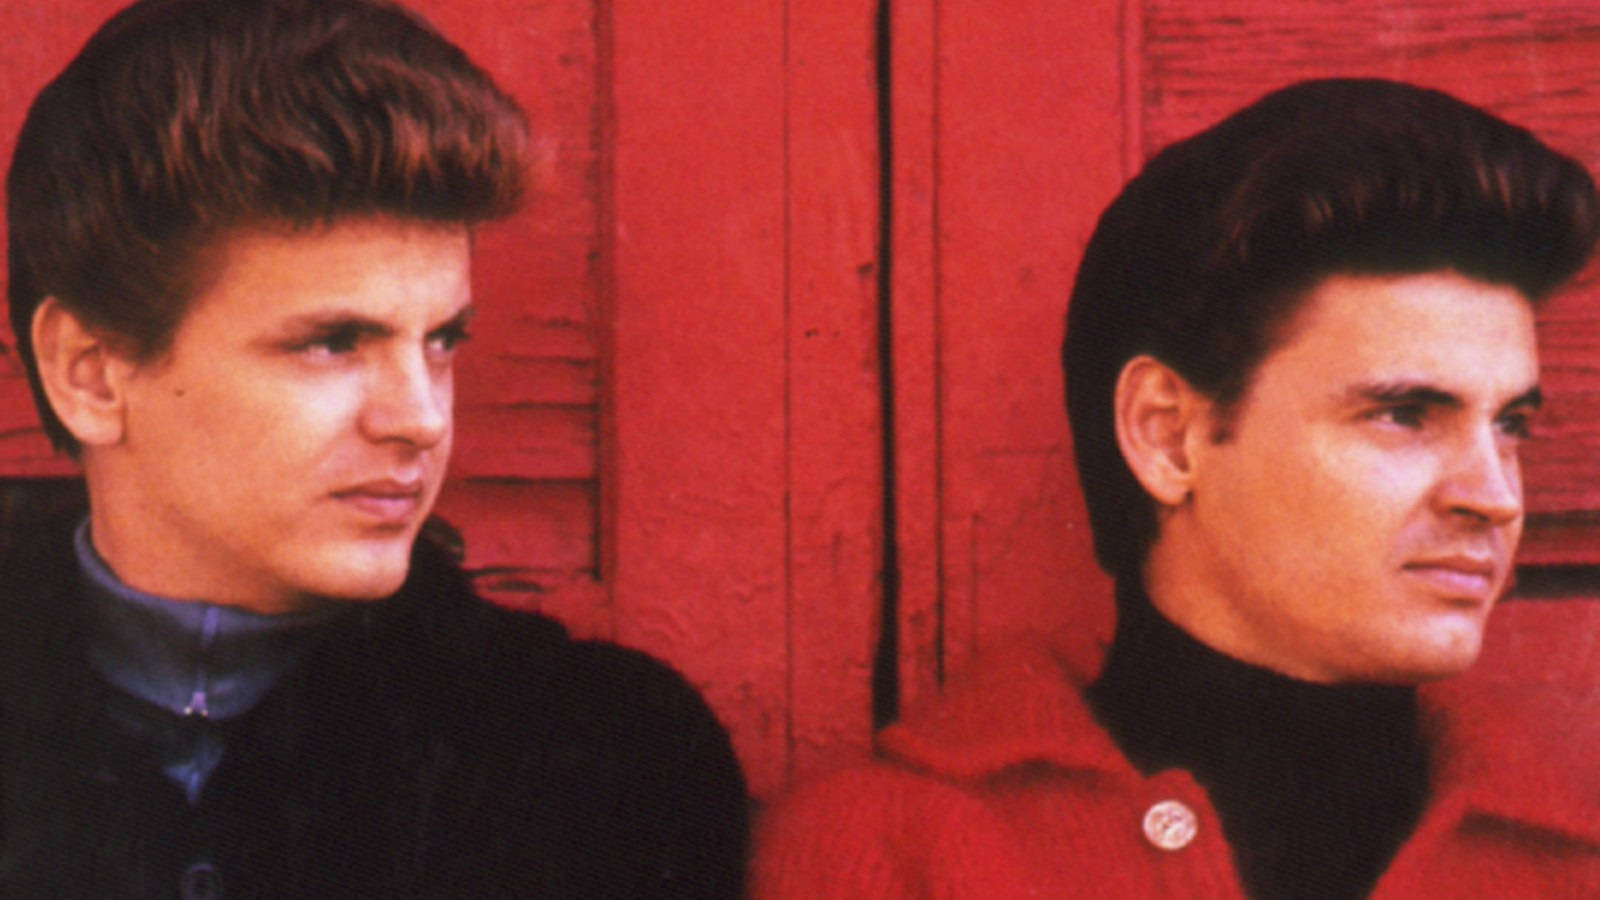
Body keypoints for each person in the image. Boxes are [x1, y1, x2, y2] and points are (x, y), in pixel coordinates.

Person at [751, 78, 1600, 898]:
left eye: (1510, 424)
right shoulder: (895, 847)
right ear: (1167, 435)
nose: (1495, 497)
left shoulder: (1572, 863)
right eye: (1404, 414)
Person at [1, 0, 747, 895]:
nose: (421, 417)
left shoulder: (605, 760)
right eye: (332, 342)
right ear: (89, 374)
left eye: (442, 339)